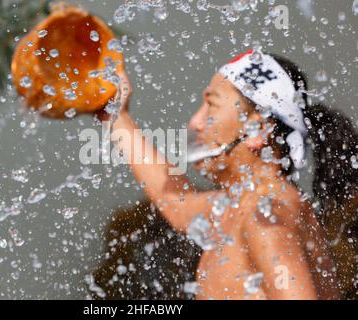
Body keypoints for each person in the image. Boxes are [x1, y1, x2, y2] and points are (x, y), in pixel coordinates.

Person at [98, 49, 357, 300]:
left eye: (211, 105)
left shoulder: (266, 219)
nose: (195, 123)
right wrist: (116, 117)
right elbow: (178, 203)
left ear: (256, 130)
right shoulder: (240, 207)